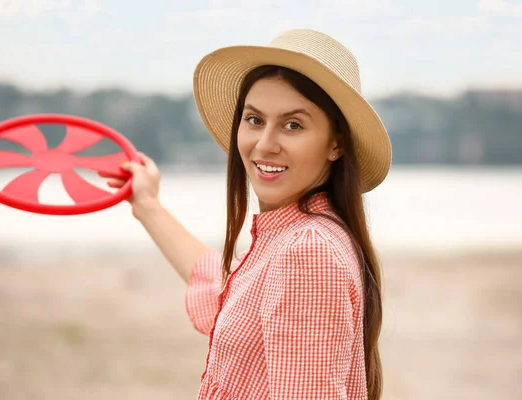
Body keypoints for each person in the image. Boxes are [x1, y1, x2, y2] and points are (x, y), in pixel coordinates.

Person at [100, 29, 391, 400]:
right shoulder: (297, 236)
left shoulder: (308, 251)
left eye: (293, 125)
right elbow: (226, 289)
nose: (265, 144)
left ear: (336, 143)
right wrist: (147, 206)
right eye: (254, 120)